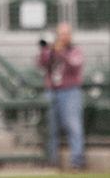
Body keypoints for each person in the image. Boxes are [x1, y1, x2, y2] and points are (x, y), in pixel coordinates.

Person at [37, 22, 85, 170]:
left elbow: (75, 65)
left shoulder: (75, 50)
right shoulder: (51, 49)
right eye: (60, 34)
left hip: (70, 91)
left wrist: (61, 52)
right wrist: (48, 50)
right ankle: (52, 161)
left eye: (66, 34)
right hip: (52, 91)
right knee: (51, 128)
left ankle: (77, 162)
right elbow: (41, 63)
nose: (63, 37)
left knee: (73, 127)